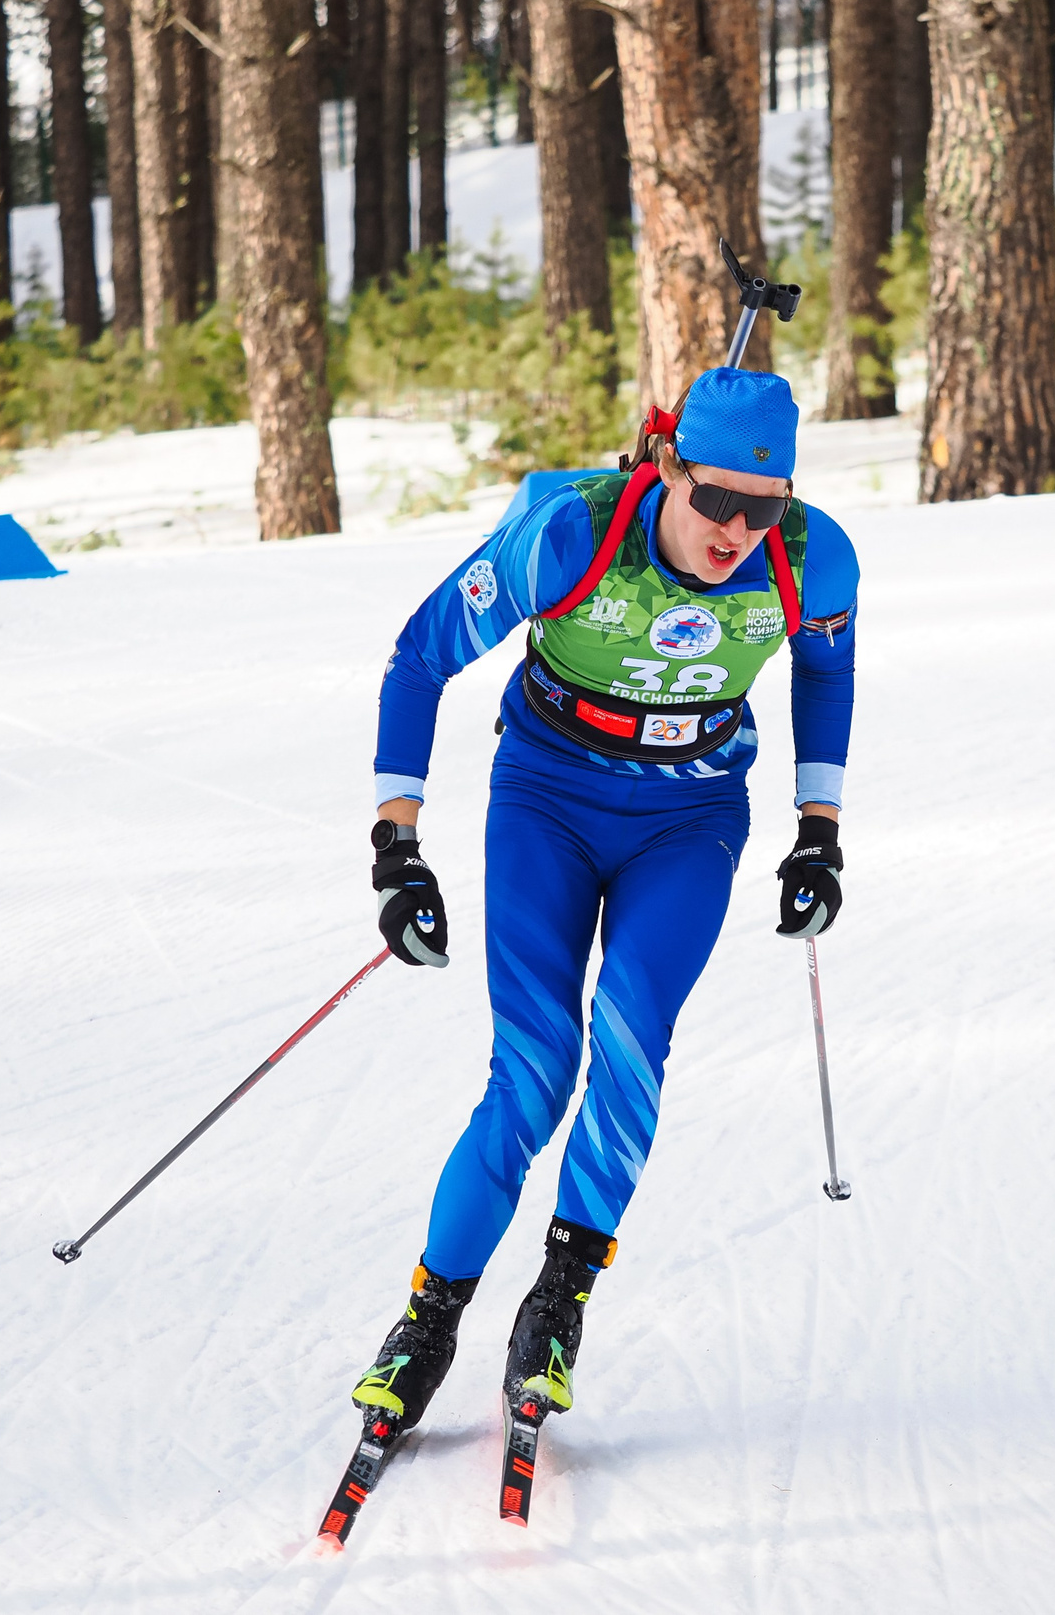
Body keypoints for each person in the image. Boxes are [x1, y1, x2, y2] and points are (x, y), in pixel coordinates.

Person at [347, 365, 858, 1442]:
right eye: (715, 498)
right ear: (668, 466)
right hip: (548, 798)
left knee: (630, 1046)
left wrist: (820, 831)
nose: (736, 530)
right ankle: (427, 1321)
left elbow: (825, 672)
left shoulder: (812, 559)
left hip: (691, 815)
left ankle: (558, 1305)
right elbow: (418, 655)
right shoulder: (571, 540)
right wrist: (399, 848)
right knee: (532, 1074)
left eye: (762, 508)